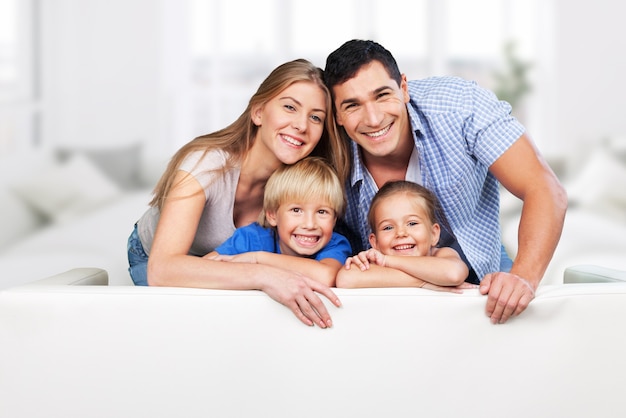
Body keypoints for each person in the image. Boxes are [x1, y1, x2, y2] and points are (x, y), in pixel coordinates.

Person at [324, 40, 567, 324]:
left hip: (478, 269)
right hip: (383, 284)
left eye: (382, 95)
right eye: (353, 105)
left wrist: (524, 278)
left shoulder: (459, 106)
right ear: (337, 114)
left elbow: (544, 187)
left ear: (404, 87)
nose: (374, 118)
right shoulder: (326, 147)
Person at [127, 58, 350, 328]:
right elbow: (162, 270)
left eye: (315, 117)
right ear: (258, 112)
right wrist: (264, 275)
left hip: (230, 260)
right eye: (290, 107)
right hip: (156, 257)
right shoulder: (207, 164)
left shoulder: (300, 184)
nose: (302, 125)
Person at [206, 156, 351, 287]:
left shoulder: (335, 244)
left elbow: (325, 276)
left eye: (322, 212)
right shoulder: (252, 238)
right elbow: (204, 267)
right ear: (272, 215)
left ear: (334, 220)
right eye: (296, 210)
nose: (309, 224)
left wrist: (257, 259)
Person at [336, 180, 470, 290]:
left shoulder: (441, 255)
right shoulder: (374, 261)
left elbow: (453, 274)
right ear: (374, 242)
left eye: (412, 223)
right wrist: (425, 282)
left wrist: (387, 261)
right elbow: (345, 279)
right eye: (388, 227)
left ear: (433, 234)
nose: (400, 233)